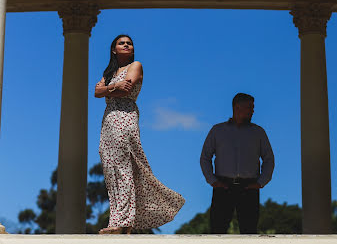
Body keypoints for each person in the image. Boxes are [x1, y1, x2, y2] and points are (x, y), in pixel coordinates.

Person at [95, 34, 185, 234]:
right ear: (113, 49)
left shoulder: (135, 65)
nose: (126, 45)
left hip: (125, 116)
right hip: (109, 119)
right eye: (121, 43)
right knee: (111, 169)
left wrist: (110, 89)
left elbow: (125, 91)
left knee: (124, 167)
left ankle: (124, 221)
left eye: (129, 43)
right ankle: (118, 220)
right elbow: (96, 91)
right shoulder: (110, 72)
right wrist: (113, 86)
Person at [200, 93, 275, 234]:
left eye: (253, 108)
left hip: (249, 188)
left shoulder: (258, 132)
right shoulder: (218, 130)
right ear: (237, 107)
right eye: (249, 107)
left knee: (249, 231)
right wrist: (213, 181)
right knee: (217, 231)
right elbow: (205, 157)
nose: (252, 111)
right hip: (223, 186)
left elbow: (269, 159)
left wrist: (260, 183)